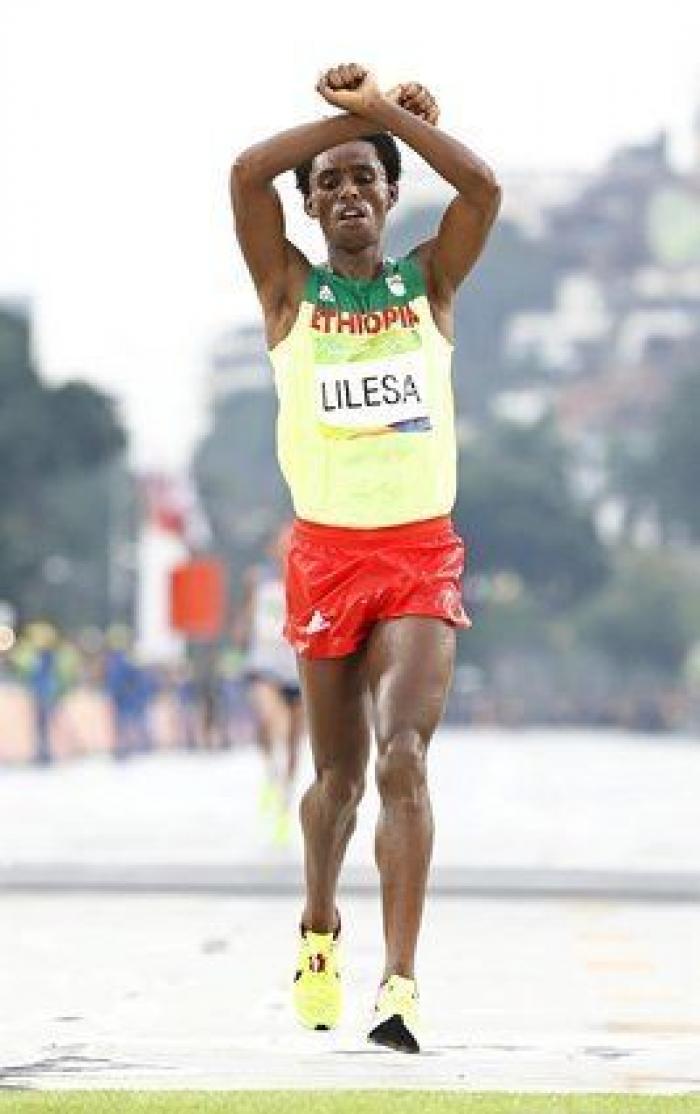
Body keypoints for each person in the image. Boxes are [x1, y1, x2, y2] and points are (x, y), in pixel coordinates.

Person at [230, 63, 500, 1053]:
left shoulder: (428, 283)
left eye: (365, 178)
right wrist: (347, 118)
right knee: (336, 783)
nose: (347, 192)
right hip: (326, 556)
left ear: (390, 196)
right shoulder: (288, 292)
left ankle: (400, 983)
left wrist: (383, 117)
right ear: (310, 205)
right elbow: (246, 174)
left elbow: (482, 190)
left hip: (419, 552)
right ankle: (318, 928)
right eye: (329, 182)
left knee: (403, 758)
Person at [238, 526, 304, 846]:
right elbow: (244, 624)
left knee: (294, 742)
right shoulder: (258, 580)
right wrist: (245, 627)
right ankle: (270, 772)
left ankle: (284, 802)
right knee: (273, 720)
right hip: (264, 665)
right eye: (283, 544)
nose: (287, 550)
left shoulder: (311, 580)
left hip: (298, 668)